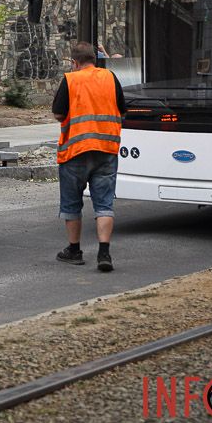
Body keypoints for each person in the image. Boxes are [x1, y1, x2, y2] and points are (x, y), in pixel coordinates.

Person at [52, 41, 126, 272]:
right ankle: (104, 252)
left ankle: (74, 250)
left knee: (72, 203)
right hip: (106, 148)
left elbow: (58, 112)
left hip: (76, 150)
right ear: (95, 59)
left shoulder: (71, 80)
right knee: (104, 204)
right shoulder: (110, 77)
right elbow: (122, 108)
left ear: (74, 62)